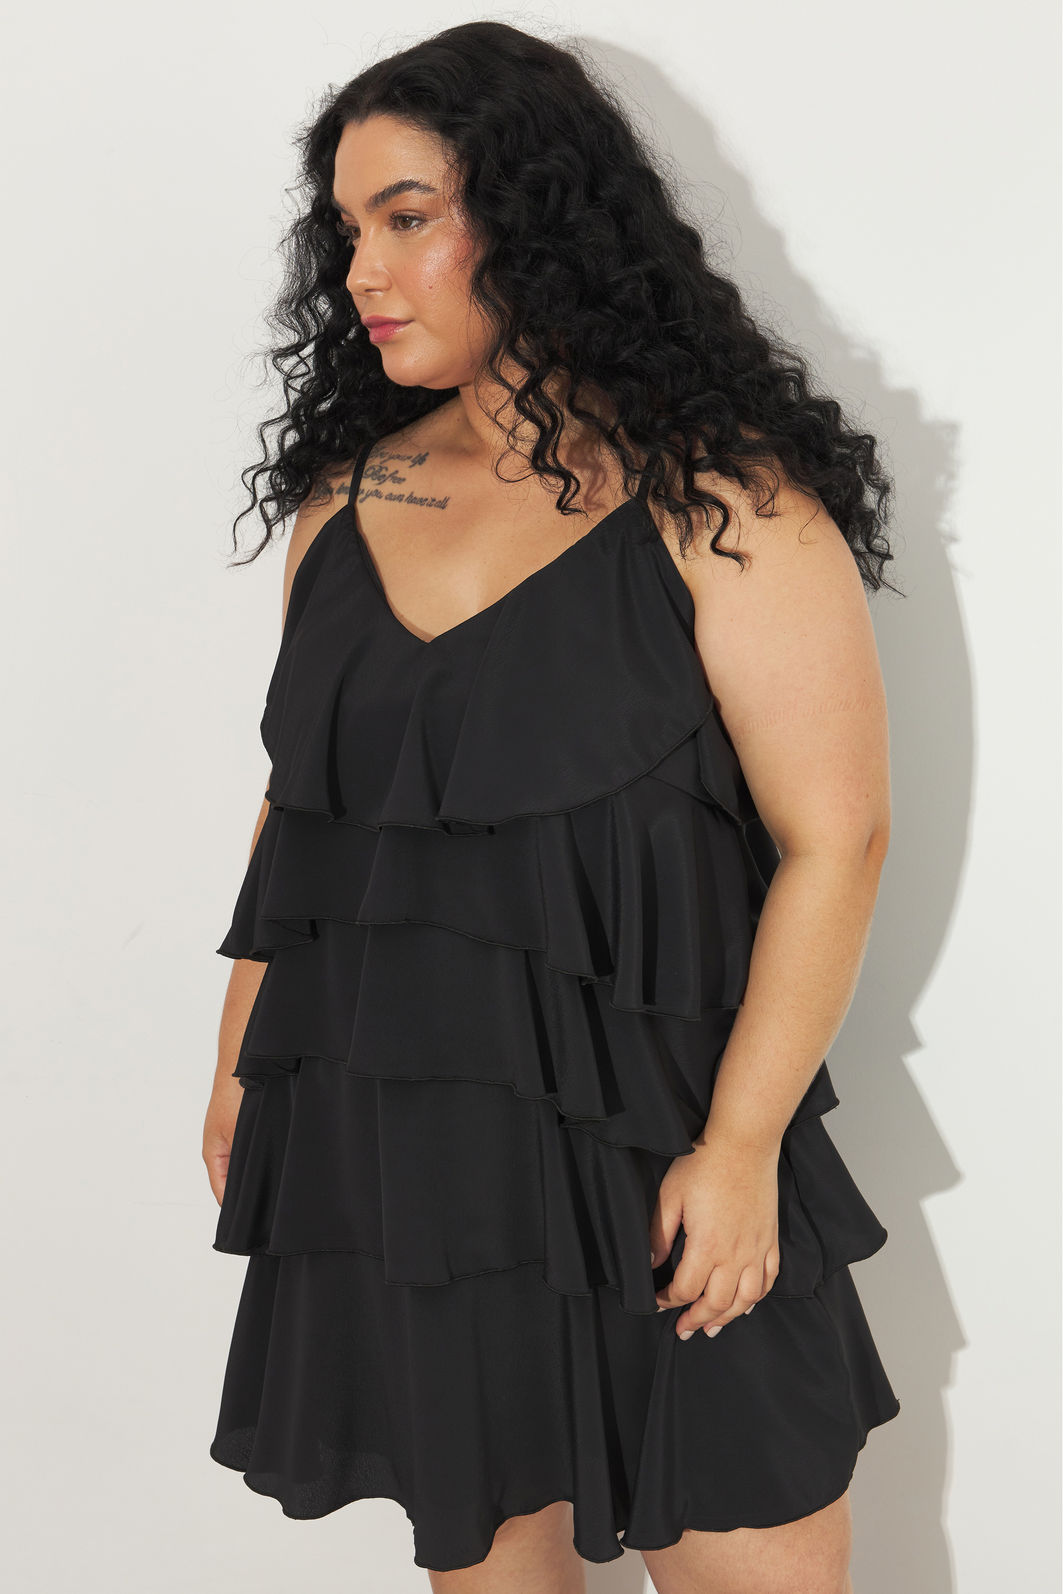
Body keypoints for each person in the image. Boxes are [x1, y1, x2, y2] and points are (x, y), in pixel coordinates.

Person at [202, 20, 903, 1594]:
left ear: (534, 217)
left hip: (665, 1146)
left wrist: (741, 1146)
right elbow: (305, 814)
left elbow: (835, 837)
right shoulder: (350, 499)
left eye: (406, 217)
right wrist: (243, 1064)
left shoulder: (724, 502)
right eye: (346, 229)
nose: (362, 272)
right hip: (413, 1153)